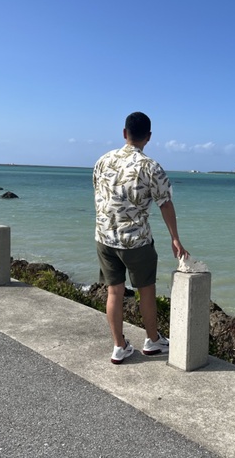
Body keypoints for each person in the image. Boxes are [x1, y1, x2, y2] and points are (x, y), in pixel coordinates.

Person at [93, 111, 188, 365]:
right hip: (136, 241)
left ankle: (119, 346)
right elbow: (165, 203)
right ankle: (152, 340)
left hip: (104, 238)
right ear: (149, 137)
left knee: (114, 292)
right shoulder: (150, 167)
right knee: (146, 290)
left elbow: (99, 194)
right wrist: (175, 239)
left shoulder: (102, 160)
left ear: (125, 133)